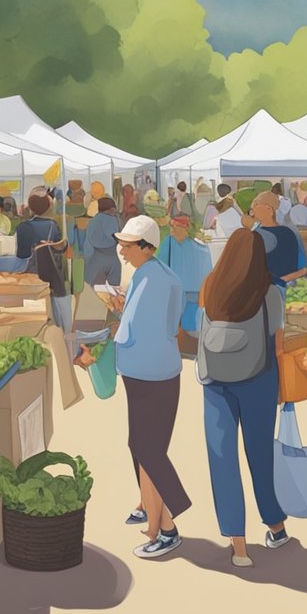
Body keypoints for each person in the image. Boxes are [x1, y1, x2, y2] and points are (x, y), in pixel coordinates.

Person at [197, 229, 290, 568]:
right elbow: (278, 345)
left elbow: (201, 329)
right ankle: (275, 526)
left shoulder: (210, 284)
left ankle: (238, 545)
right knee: (259, 453)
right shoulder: (270, 292)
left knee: (222, 459)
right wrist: (282, 390)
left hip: (215, 381)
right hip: (258, 379)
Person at [107, 215, 191, 560]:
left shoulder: (148, 279)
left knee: (148, 450)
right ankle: (148, 504)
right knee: (141, 444)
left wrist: (116, 319)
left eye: (127, 246)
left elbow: (129, 331)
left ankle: (167, 526)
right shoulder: (162, 275)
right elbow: (170, 323)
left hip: (146, 371)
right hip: (160, 368)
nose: (122, 251)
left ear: (145, 247)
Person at [16, 193, 73, 347]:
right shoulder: (52, 225)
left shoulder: (23, 227)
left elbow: (21, 254)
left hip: (32, 274)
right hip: (52, 273)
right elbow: (59, 247)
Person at [251, 191, 306, 287]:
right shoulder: (256, 232)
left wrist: (278, 282)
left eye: (256, 206)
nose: (252, 211)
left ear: (269, 209)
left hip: (273, 288)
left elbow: (302, 269)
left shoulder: (286, 233)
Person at [84, 197, 122, 288]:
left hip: (96, 260)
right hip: (113, 259)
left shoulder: (93, 221)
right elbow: (117, 238)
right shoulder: (115, 220)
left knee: (96, 292)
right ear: (111, 208)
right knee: (114, 290)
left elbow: (88, 246)